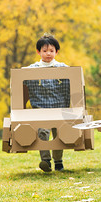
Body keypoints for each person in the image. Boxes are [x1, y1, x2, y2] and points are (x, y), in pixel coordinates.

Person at [23, 34, 70, 172]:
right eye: (44, 50)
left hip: (59, 107)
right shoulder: (31, 69)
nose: (48, 53)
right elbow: (20, 81)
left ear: (56, 52)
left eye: (51, 50)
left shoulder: (63, 68)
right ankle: (46, 161)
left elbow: (73, 82)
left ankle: (58, 161)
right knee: (42, 132)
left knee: (59, 134)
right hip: (41, 108)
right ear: (38, 52)